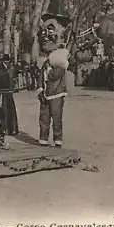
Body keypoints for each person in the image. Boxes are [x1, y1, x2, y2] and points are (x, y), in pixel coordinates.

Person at [36, 13, 71, 147]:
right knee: (44, 116)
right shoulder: (45, 62)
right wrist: (40, 86)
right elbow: (40, 75)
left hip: (56, 91)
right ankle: (43, 138)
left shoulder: (59, 61)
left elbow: (55, 75)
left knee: (56, 116)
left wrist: (48, 72)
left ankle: (57, 138)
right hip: (45, 91)